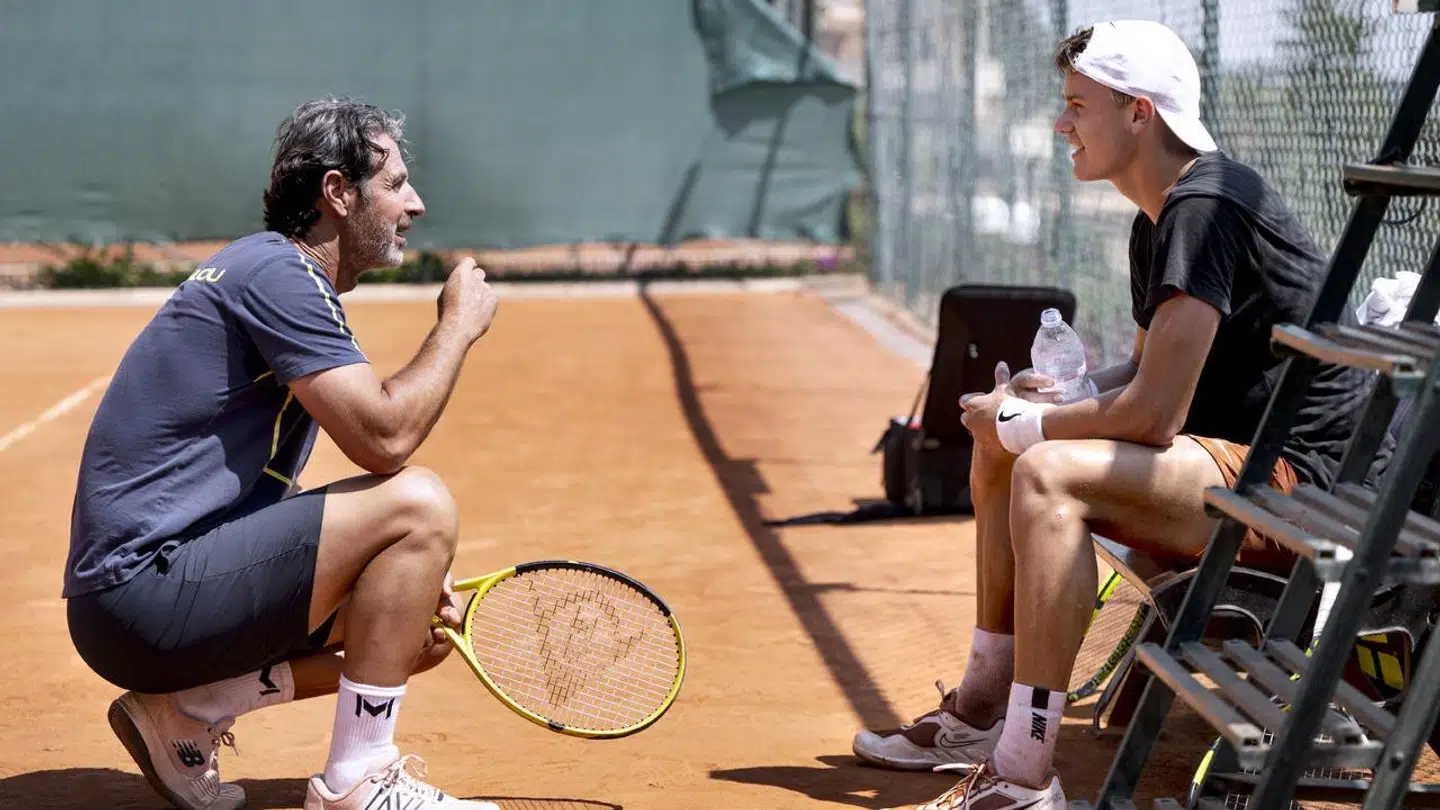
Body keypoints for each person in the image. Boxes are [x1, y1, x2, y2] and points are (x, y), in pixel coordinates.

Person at [852, 21, 1390, 810]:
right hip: (1241, 460)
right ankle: (980, 706)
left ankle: (1025, 771)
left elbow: (1152, 415)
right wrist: (1039, 398)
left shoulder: (1206, 205)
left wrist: (1029, 427)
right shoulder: (1162, 213)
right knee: (1005, 446)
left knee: (1041, 470)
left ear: (1139, 113)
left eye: (1078, 104)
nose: (1061, 123)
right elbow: (1140, 369)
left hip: (1301, 487)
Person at [63, 97, 503, 810]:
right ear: (336, 192)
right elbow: (384, 439)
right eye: (394, 184)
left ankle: (186, 713)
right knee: (418, 505)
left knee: (414, 627)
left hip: (143, 599)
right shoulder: (278, 274)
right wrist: (456, 328)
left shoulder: (277, 275)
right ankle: (358, 778)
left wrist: (390, 581)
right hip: (140, 594)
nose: (414, 204)